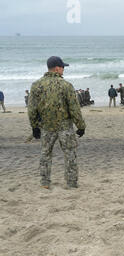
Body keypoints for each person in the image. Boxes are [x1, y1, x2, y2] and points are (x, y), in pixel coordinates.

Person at [28, 56, 86, 189]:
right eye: (63, 68)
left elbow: (32, 109)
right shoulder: (66, 85)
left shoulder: (36, 85)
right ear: (57, 68)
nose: (63, 70)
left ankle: (44, 183)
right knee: (70, 154)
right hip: (65, 127)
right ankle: (71, 183)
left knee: (45, 154)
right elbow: (74, 108)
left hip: (46, 127)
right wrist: (81, 126)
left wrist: (34, 126)